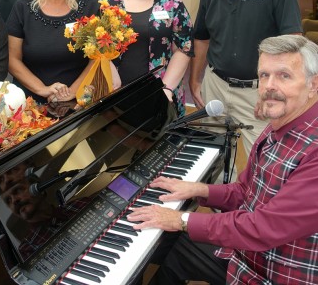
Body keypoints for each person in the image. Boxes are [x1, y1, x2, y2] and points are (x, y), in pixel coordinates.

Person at [128, 34, 318, 284]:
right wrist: (199, 189)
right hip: (248, 256)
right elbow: (246, 191)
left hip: (276, 273)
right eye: (264, 75)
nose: (270, 86)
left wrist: (181, 218)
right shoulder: (280, 123)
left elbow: (264, 228)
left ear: (314, 85)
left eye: (284, 76)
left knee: (176, 232)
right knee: (172, 247)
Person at [189, 0, 302, 158]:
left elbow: (293, 41)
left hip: (257, 91)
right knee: (211, 154)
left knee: (263, 159)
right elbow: (202, 38)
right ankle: (217, 195)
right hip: (216, 85)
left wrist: (273, 90)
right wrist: (195, 80)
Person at [103, 0, 194, 117]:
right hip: (113, 94)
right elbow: (96, 48)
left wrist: (165, 88)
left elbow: (184, 48)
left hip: (160, 94)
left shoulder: (172, 3)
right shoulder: (108, 3)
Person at [7, 0, 100, 104]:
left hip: (77, 103)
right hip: (30, 104)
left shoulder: (91, 8)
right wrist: (43, 89)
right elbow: (12, 59)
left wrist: (71, 92)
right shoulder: (23, 8)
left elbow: (97, 59)